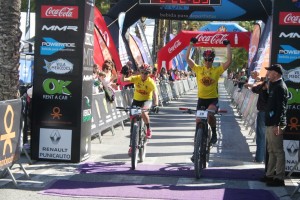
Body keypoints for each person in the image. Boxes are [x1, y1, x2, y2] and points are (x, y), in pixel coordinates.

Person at [185, 37, 232, 149]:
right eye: (205, 59)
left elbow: (229, 61)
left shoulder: (217, 70)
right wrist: (191, 44)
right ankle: (196, 150)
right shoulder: (198, 69)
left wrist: (228, 46)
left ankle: (214, 133)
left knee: (210, 115)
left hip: (212, 100)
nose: (207, 62)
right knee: (198, 121)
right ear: (203, 60)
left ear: (212, 60)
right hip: (201, 100)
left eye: (210, 60)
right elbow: (187, 58)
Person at [260, 64, 288, 187]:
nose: (267, 74)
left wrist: (278, 124)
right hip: (270, 123)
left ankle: (279, 178)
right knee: (271, 150)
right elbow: (268, 103)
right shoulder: (273, 85)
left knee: (278, 151)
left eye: (269, 72)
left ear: (276, 74)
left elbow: (281, 108)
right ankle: (270, 175)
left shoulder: (280, 87)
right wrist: (264, 91)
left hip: (276, 124)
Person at [121, 63, 159, 142]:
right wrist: (123, 74)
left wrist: (156, 104)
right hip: (136, 100)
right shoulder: (136, 78)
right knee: (132, 116)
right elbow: (123, 80)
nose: (144, 75)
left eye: (146, 73)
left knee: (143, 113)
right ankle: (133, 138)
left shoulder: (151, 82)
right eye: (142, 72)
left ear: (149, 74)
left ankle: (148, 128)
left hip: (147, 101)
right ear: (139, 72)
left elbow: (155, 93)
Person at [250, 74, 269, 163]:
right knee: (264, 136)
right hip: (268, 112)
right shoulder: (273, 83)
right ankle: (263, 158)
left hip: (264, 112)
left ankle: (260, 158)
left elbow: (255, 89)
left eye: (268, 72)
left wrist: (260, 84)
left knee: (262, 135)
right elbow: (255, 89)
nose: (267, 74)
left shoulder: (267, 84)